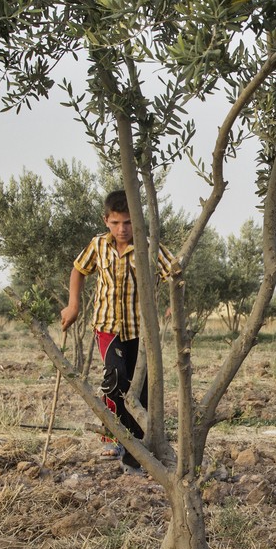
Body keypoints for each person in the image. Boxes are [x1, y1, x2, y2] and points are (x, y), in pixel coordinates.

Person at [60, 189, 174, 468]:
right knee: (115, 380)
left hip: (141, 331)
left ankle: (138, 451)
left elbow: (175, 273)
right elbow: (78, 270)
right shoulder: (98, 245)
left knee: (141, 390)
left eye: (128, 222)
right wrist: (73, 305)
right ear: (106, 221)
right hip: (107, 327)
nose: (122, 229)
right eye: (115, 223)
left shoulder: (150, 246)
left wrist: (173, 303)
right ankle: (113, 437)